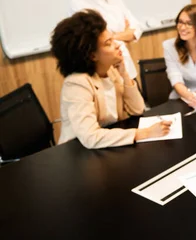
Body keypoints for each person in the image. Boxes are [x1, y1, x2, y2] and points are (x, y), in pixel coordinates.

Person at [51, 9, 171, 149]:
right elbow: (91, 137)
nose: (117, 44)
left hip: (108, 146)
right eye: (108, 43)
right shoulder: (77, 84)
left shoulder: (110, 71)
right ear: (92, 55)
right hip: (78, 153)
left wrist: (124, 74)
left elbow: (137, 109)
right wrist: (143, 133)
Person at [69, 0, 143, 80]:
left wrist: (113, 36)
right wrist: (124, 34)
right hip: (105, 75)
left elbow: (137, 29)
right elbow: (98, 42)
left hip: (127, 70)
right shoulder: (79, 4)